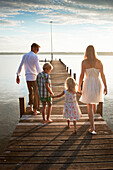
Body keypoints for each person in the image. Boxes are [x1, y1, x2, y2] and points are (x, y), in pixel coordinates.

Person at [78, 45, 107, 135]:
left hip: (88, 82)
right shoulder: (99, 62)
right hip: (97, 83)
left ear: (86, 52)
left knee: (89, 105)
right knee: (93, 102)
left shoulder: (84, 62)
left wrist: (79, 86)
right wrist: (106, 86)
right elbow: (102, 75)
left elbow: (82, 75)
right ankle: (92, 119)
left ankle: (92, 127)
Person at [16, 43, 41, 115]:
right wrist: (42, 75)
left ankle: (31, 108)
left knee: (30, 93)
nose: (37, 51)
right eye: (37, 49)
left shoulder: (25, 56)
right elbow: (38, 68)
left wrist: (18, 75)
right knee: (36, 93)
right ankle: (35, 110)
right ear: (33, 48)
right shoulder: (35, 56)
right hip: (34, 77)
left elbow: (20, 66)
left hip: (27, 77)